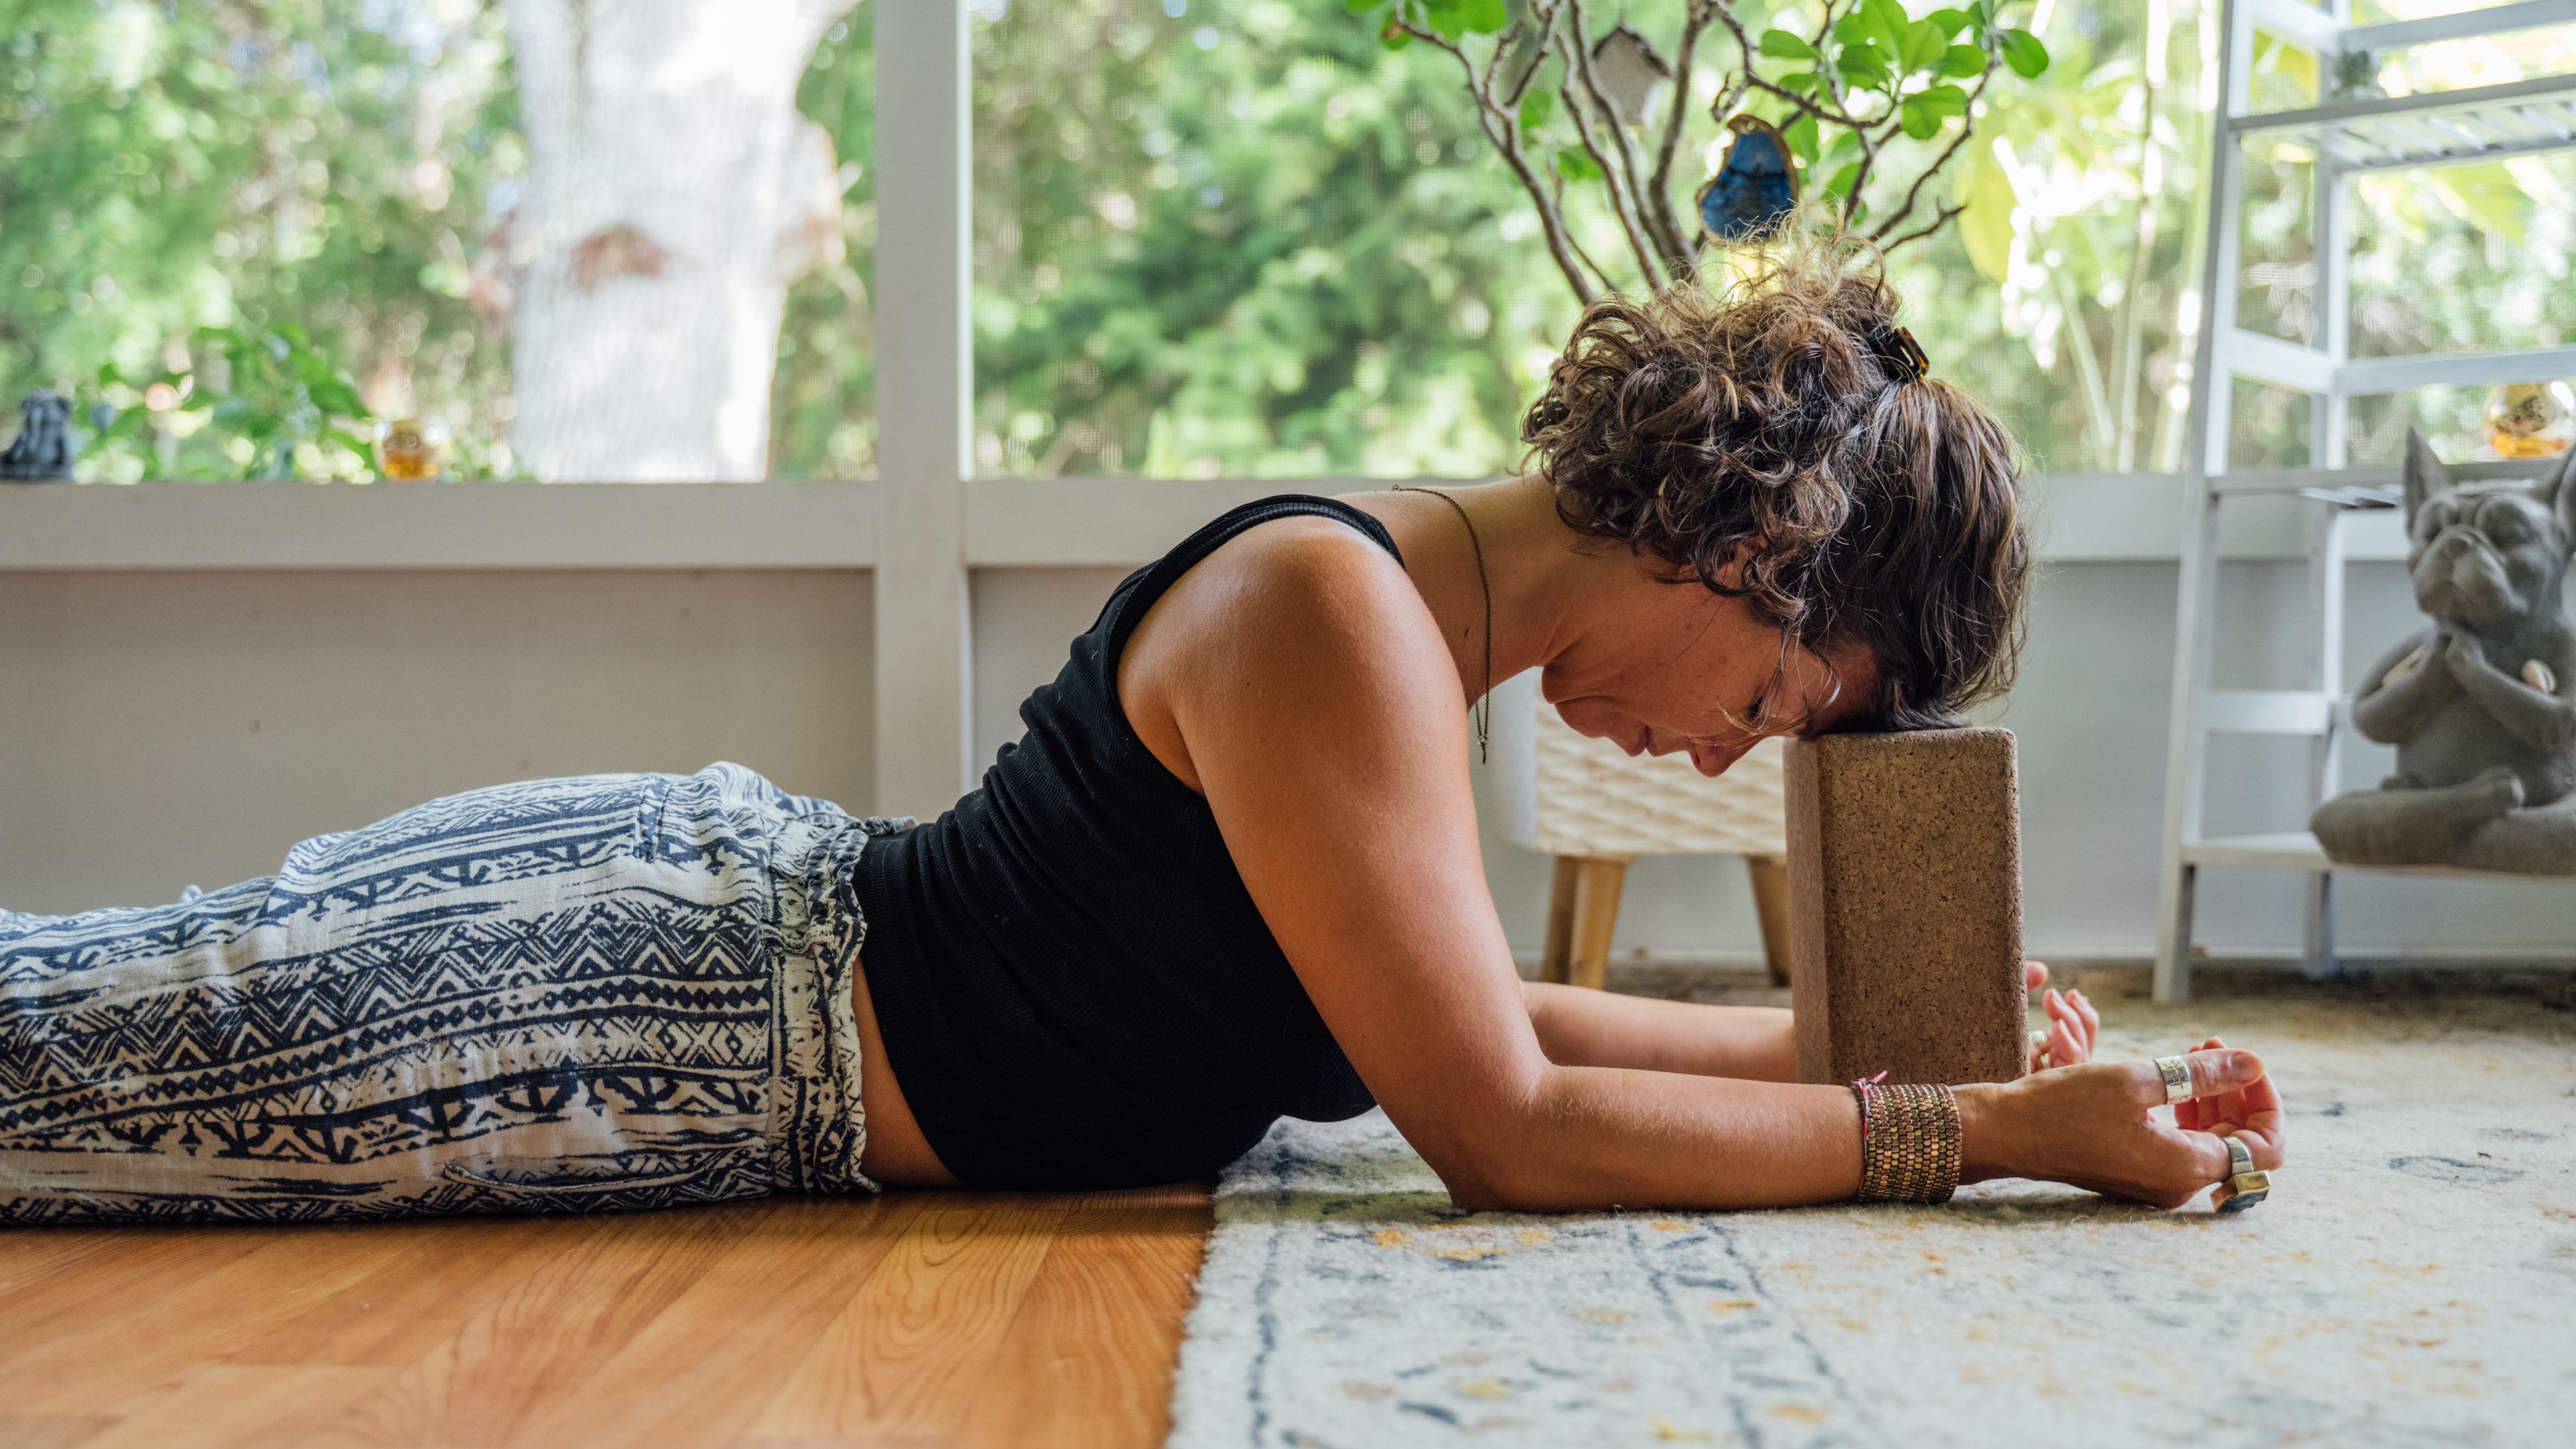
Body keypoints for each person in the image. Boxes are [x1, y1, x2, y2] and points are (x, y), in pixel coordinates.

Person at [0, 236, 2284, 1223]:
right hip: (658, 988)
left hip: (717, 1012)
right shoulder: (1331, 613)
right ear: (1744, 551)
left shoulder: (1408, 641)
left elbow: (1482, 1018)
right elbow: (1499, 1123)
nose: (1720, 761)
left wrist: (1886, 1053)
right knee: (53, 1070)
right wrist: (1974, 1141)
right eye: (1780, 707)